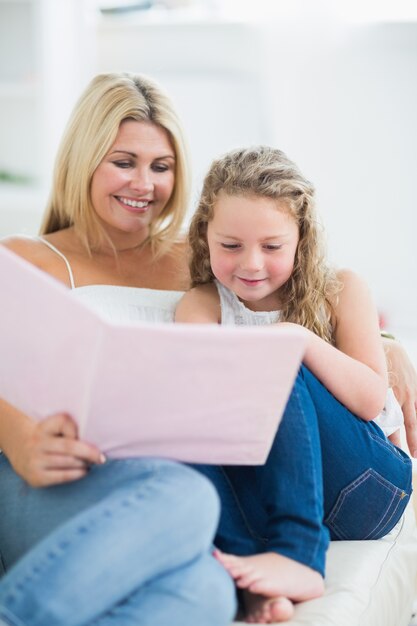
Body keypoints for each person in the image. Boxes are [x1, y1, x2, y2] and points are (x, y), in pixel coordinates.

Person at [0, 72, 236, 626]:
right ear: (85, 159)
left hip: (161, 485)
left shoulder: (200, 259)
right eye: (124, 161)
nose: (144, 183)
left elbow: (294, 296)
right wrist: (19, 439)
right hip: (47, 479)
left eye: (162, 166)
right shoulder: (23, 258)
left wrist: (386, 347)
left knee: (207, 593)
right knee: (189, 497)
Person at [175, 145, 415, 623]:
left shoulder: (340, 289)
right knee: (181, 428)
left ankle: (300, 554)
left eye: (272, 246)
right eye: (230, 245)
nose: (251, 263)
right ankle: (254, 583)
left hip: (365, 486)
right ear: (205, 236)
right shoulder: (202, 305)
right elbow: (200, 405)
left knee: (274, 359)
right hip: (262, 500)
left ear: (301, 239)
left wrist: (295, 338)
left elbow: (370, 400)